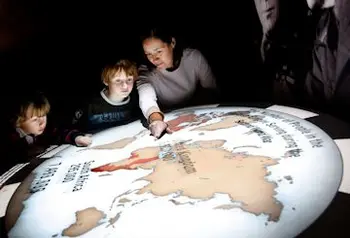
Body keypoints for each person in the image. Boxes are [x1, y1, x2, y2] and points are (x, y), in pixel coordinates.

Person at [136, 27, 219, 138]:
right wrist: (156, 121)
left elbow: (211, 90)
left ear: (172, 42)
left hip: (196, 113)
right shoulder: (145, 72)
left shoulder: (193, 58)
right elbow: (146, 100)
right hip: (168, 119)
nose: (154, 59)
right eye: (148, 54)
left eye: (159, 51)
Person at [2, 91, 87, 175]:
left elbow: (61, 132)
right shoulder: (8, 140)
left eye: (43, 116)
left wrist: (76, 137)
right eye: (35, 120)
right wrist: (26, 153)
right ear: (18, 122)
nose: (42, 123)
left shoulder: (46, 130)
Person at [68, 59, 142, 144]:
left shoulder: (137, 102)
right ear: (106, 81)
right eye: (118, 80)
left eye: (129, 79)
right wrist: (76, 137)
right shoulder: (89, 104)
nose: (125, 86)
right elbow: (65, 129)